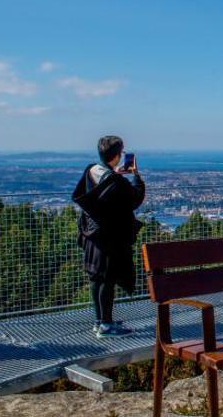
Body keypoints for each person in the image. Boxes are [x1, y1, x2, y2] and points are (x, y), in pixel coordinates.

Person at [72, 135, 145, 338]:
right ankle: (106, 325)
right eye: (121, 152)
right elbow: (135, 198)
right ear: (116, 155)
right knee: (108, 280)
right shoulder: (115, 182)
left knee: (96, 279)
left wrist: (114, 173)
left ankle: (100, 320)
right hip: (109, 238)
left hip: (90, 235)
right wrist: (136, 175)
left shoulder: (91, 171)